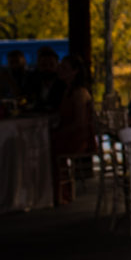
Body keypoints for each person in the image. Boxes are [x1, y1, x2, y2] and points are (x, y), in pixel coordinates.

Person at [50, 55, 95, 205]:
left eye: (64, 68)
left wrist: (59, 133)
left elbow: (80, 123)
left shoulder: (79, 93)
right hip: (69, 133)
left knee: (49, 146)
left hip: (78, 138)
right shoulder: (66, 90)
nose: (59, 70)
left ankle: (59, 193)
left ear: (74, 72)